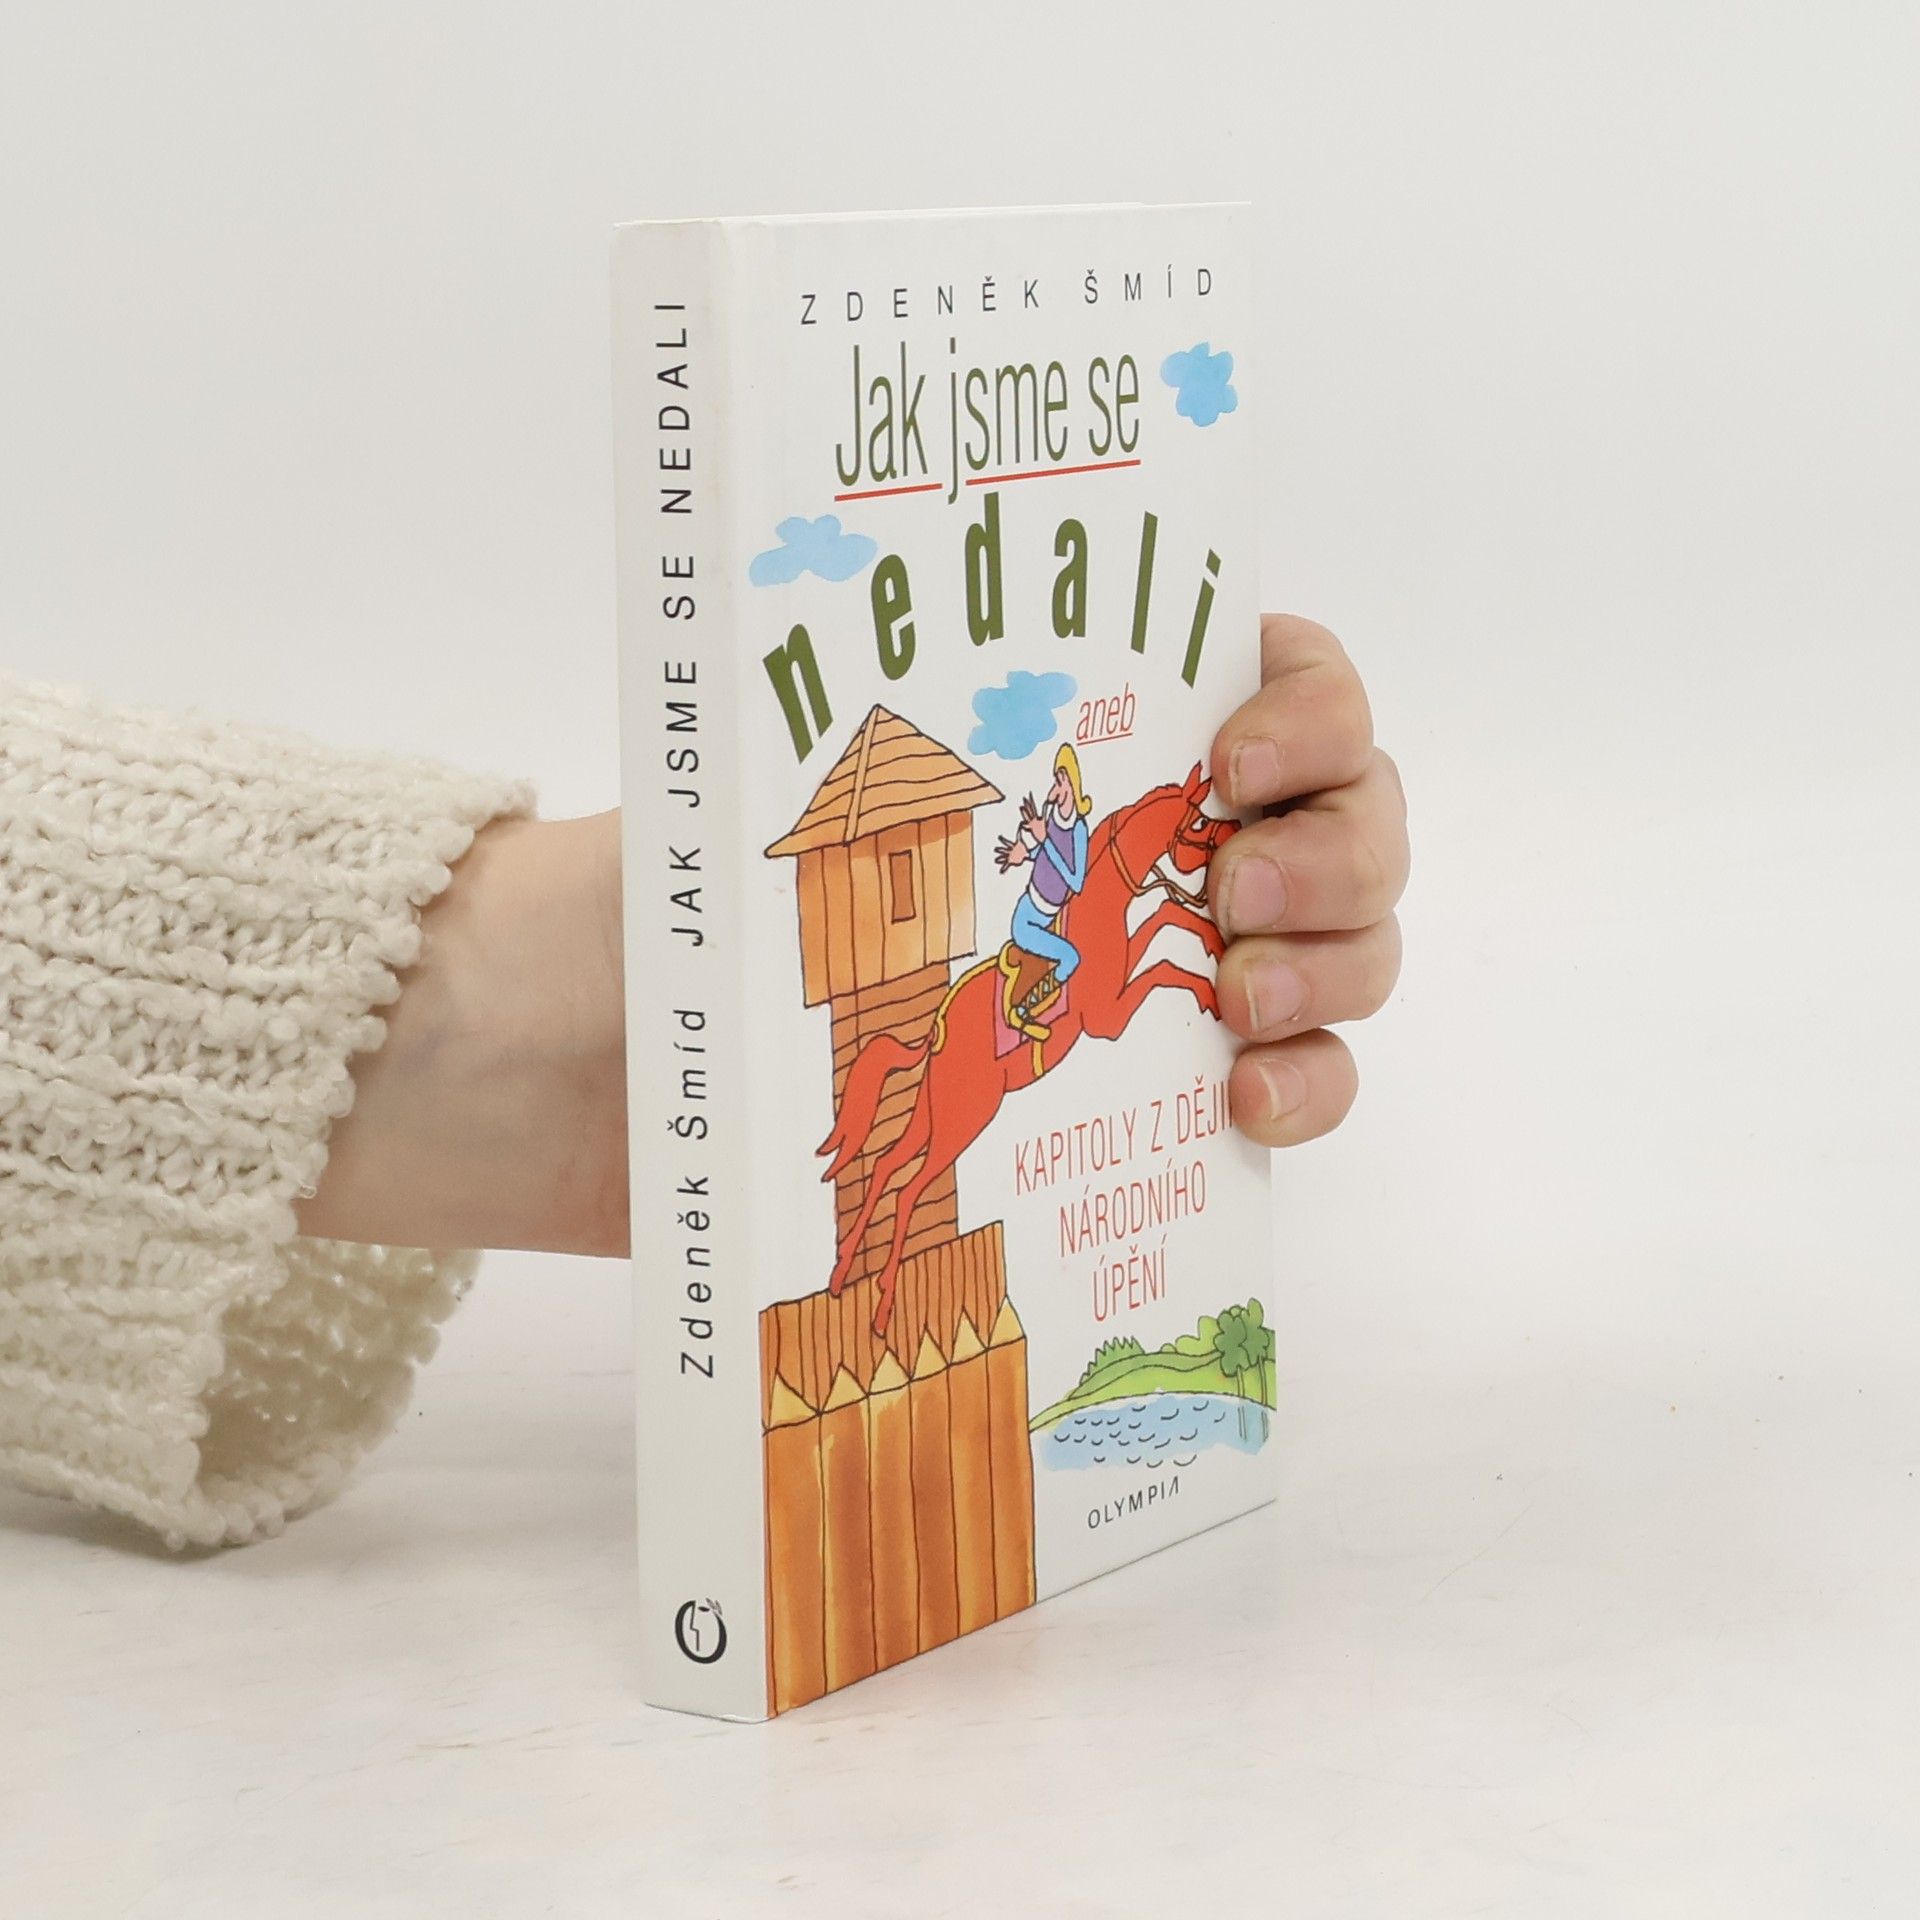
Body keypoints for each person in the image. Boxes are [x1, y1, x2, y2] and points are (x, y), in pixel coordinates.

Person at [0, 614, 1407, 1545]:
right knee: (1052, 942)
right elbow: (1055, 877)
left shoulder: (1074, 837)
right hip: (1036, 950)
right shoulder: (1051, 859)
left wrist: (574, 980)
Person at [995, 741, 1093, 990]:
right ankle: (1026, 1006)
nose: (1055, 788)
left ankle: (1036, 1001)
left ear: (1071, 785)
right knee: (1068, 957)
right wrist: (1024, 854)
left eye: (1060, 781)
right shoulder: (1053, 816)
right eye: (1056, 781)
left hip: (1049, 910)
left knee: (1072, 959)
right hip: (1028, 911)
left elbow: (1076, 882)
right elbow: (1045, 855)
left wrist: (1044, 840)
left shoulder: (1078, 828)